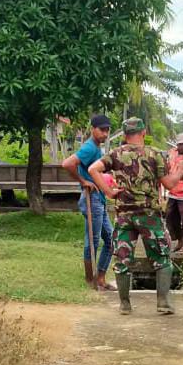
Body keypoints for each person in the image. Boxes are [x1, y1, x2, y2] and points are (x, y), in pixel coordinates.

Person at [88, 118, 183, 315]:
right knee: (162, 258)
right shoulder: (154, 154)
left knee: (123, 259)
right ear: (144, 132)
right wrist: (182, 170)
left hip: (125, 215)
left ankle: (124, 304)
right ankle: (163, 303)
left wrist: (108, 192)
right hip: (149, 215)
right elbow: (169, 184)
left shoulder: (115, 154)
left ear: (124, 135)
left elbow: (93, 170)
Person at [62, 114, 114, 291]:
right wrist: (83, 181)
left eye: (107, 130)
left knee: (110, 239)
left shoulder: (96, 148)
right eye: (102, 130)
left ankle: (100, 278)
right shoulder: (89, 148)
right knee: (92, 240)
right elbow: (67, 163)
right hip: (91, 199)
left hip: (99, 199)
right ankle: (89, 279)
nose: (105, 134)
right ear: (93, 129)